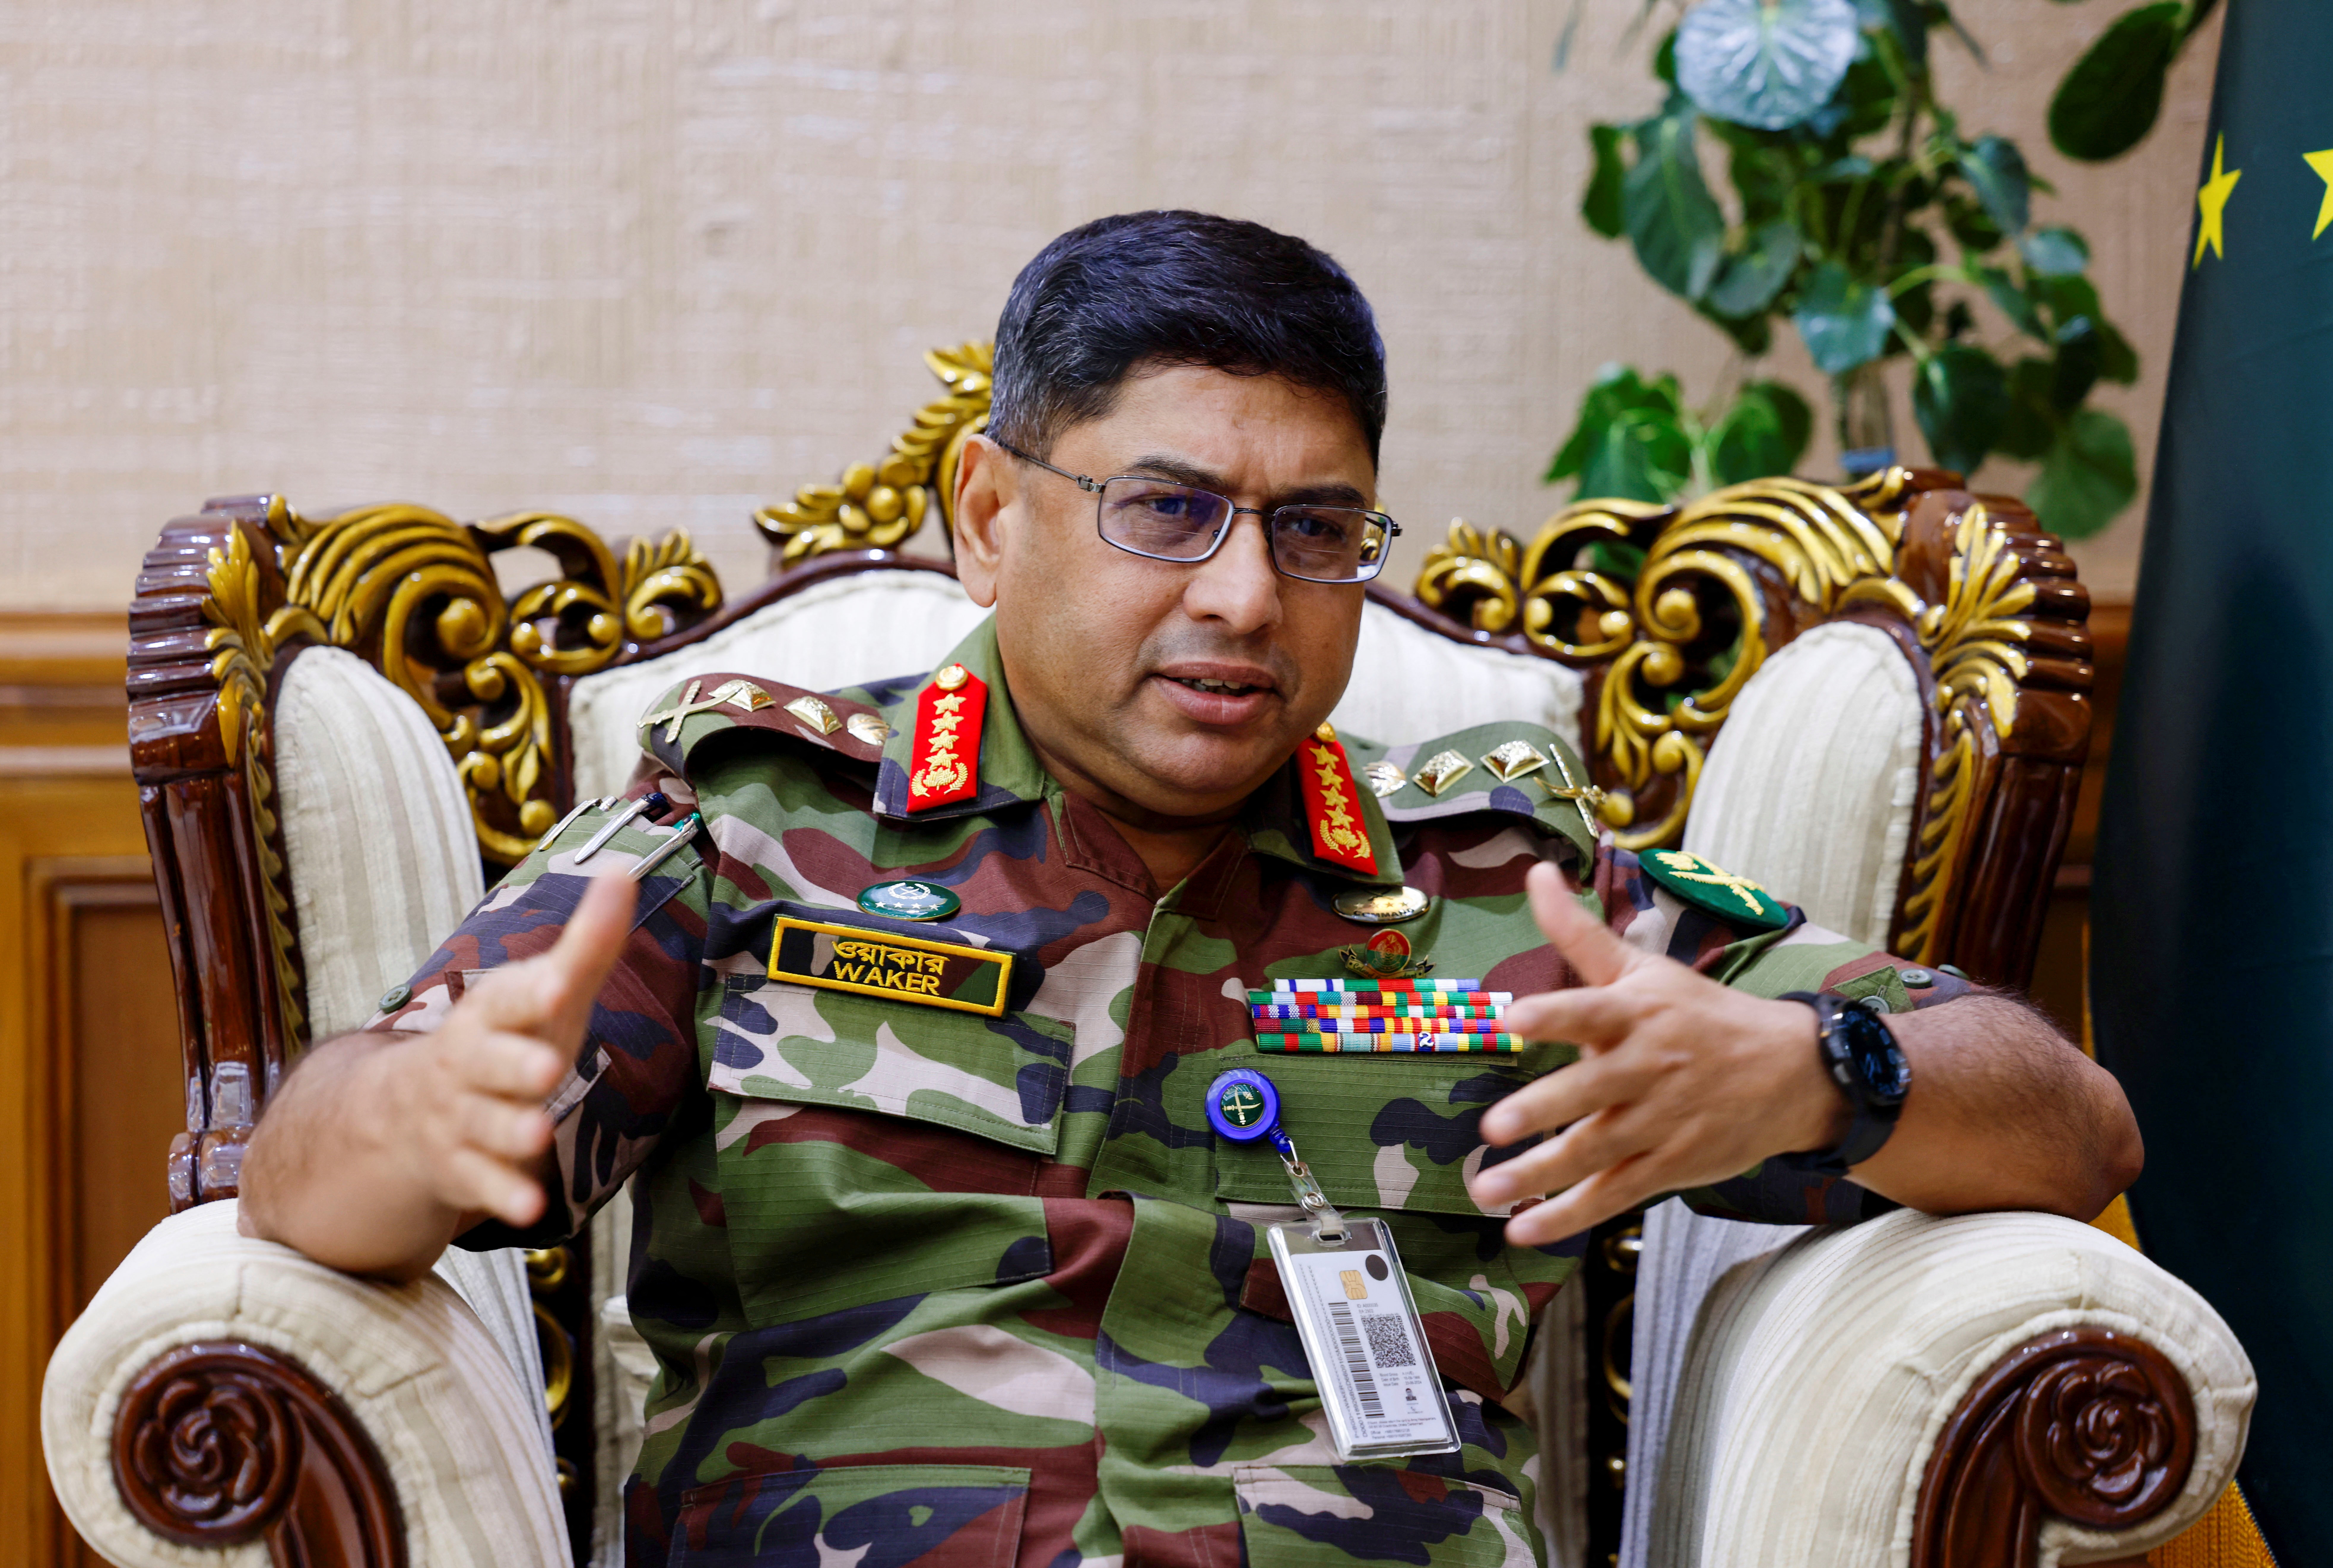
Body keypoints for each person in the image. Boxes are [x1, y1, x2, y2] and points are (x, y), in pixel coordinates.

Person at [240, 210, 2142, 1567]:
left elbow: (2073, 1126)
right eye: (1169, 511)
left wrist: (1821, 1074)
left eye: (1314, 529)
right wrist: (415, 1109)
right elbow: (304, 1172)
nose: (1245, 593)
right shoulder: (753, 828)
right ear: (995, 517)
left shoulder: (1500, 885)